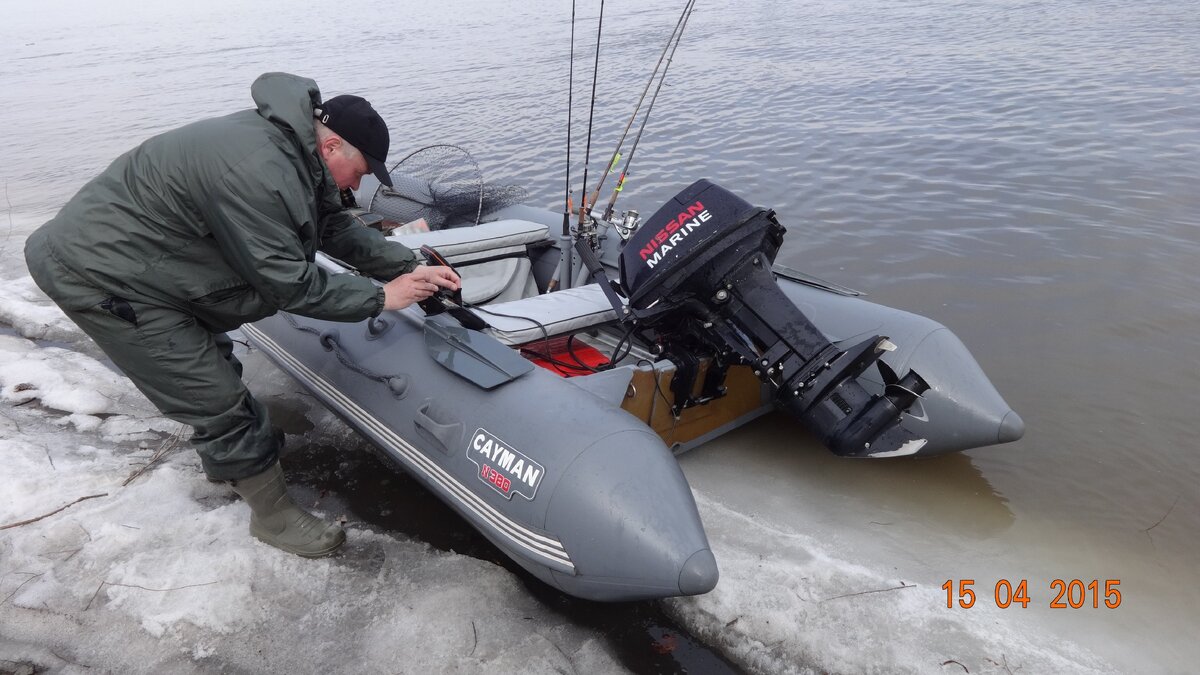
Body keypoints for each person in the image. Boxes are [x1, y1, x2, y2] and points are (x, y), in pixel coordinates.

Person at [24, 72, 460, 558]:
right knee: (212, 396)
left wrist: (407, 266)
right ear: (332, 145)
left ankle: (243, 450)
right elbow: (289, 283)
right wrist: (382, 298)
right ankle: (271, 515)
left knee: (211, 350)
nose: (358, 184)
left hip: (148, 257)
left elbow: (333, 226)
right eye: (359, 171)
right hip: (97, 272)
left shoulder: (294, 151)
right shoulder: (261, 171)